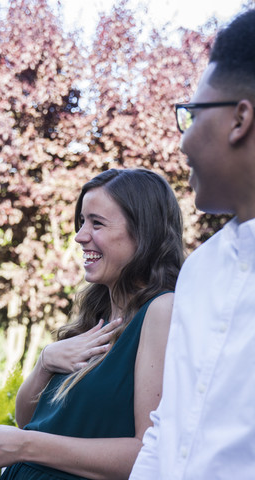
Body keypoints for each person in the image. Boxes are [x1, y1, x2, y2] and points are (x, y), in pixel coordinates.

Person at [0, 168, 183, 480]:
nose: (80, 236)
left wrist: (23, 445)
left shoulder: (162, 310)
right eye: (81, 222)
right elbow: (28, 419)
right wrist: (45, 361)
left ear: (143, 232)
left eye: (97, 223)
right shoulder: (96, 316)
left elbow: (147, 454)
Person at [129, 9, 255, 480]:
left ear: (239, 118)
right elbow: (167, 431)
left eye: (192, 114)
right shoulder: (200, 271)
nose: (182, 143)